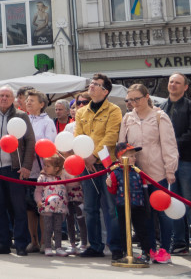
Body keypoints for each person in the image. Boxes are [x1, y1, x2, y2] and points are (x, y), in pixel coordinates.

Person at [119, 83, 177, 261]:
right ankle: (148, 249)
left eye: (137, 99)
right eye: (130, 100)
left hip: (158, 171)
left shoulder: (160, 117)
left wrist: (170, 169)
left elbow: (169, 144)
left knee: (162, 212)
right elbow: (122, 144)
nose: (134, 103)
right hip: (136, 173)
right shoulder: (128, 118)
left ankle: (165, 249)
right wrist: (122, 164)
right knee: (143, 215)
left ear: (146, 97)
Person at [0, 85, 35, 257]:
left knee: (18, 207)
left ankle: (20, 244)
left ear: (13, 99)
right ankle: (2, 242)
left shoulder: (21, 115)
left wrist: (26, 166)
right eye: (1, 95)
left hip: (15, 169)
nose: (4, 98)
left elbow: (30, 142)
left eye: (7, 95)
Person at [73, 74, 123, 260]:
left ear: (105, 91)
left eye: (96, 84)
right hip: (87, 165)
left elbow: (111, 136)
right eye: (91, 83)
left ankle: (116, 246)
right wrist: (86, 157)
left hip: (106, 165)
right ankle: (95, 246)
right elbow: (78, 135)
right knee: (90, 208)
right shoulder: (81, 112)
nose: (91, 86)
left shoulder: (114, 110)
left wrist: (93, 156)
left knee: (111, 208)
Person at [23, 90, 56, 252]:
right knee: (29, 208)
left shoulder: (47, 122)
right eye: (27, 100)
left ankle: (45, 241)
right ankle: (33, 240)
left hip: (43, 172)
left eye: (32, 101)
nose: (28, 103)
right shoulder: (23, 120)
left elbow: (50, 145)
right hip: (27, 171)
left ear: (41, 104)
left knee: (43, 208)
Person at [34, 154, 68, 256]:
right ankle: (47, 246)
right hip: (47, 207)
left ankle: (58, 247)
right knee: (47, 228)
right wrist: (39, 201)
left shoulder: (62, 176)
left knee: (58, 228)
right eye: (45, 165)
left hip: (60, 207)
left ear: (57, 168)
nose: (45, 168)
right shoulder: (42, 178)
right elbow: (38, 191)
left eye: (48, 166)